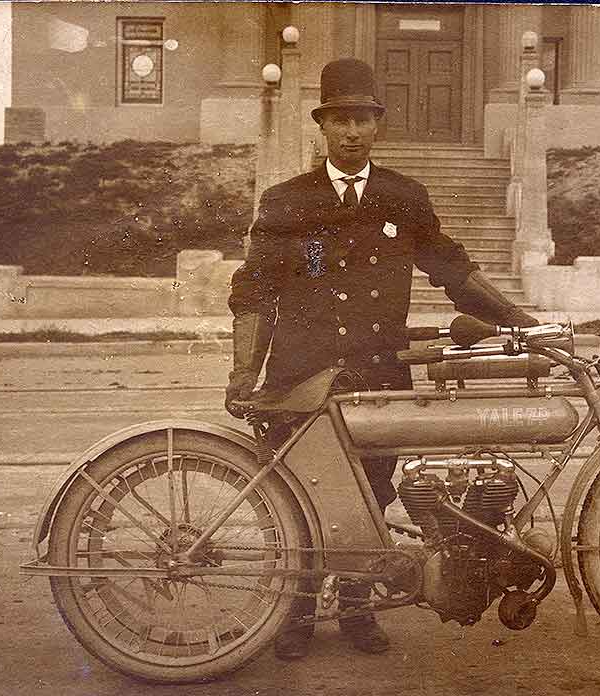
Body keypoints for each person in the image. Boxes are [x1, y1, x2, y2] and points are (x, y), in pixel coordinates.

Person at [226, 58, 537, 659]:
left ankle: (356, 609)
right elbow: (255, 292)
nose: (351, 132)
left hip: (377, 375)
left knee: (373, 494)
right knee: (298, 497)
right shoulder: (288, 203)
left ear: (377, 124)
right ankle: (293, 615)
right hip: (301, 378)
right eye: (340, 119)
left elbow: (452, 268)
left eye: (362, 119)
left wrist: (521, 322)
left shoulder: (403, 197)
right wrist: (244, 372)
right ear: (322, 126)